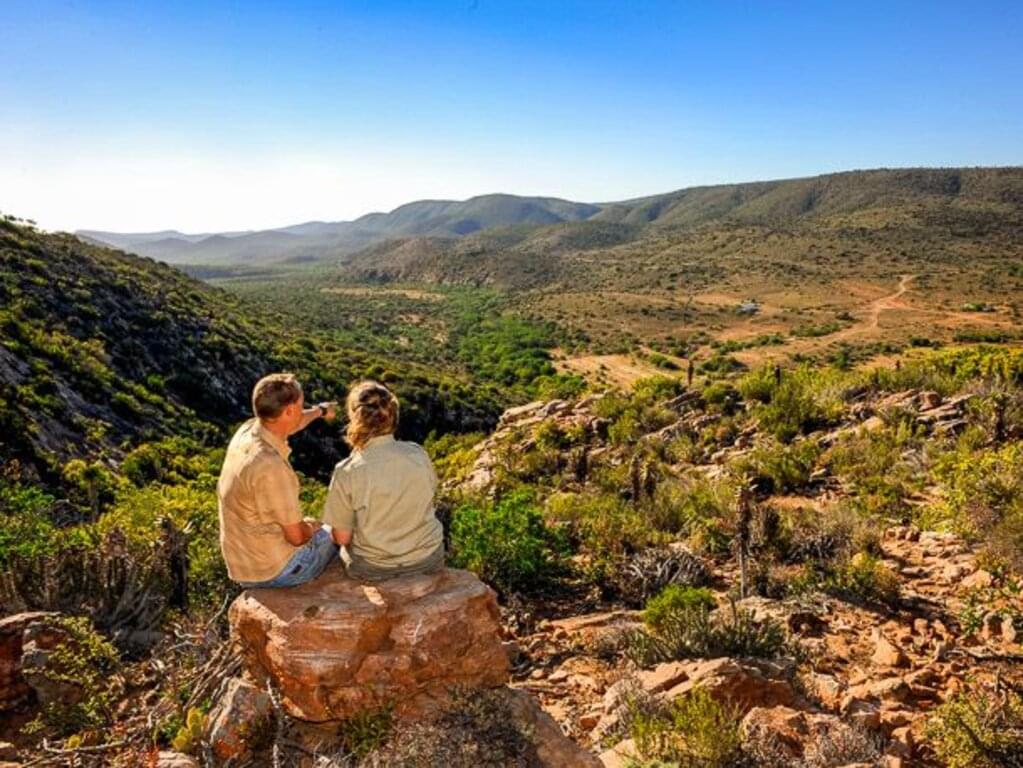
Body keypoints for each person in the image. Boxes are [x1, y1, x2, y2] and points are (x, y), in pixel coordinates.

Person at [217, 373, 339, 588]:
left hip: (244, 564)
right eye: (300, 406)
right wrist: (312, 526)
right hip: (277, 570)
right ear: (289, 411)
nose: (302, 410)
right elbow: (297, 538)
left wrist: (320, 411)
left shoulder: (247, 431)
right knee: (341, 528)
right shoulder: (271, 467)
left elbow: (294, 422)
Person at [323, 380, 444, 581]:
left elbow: (342, 538)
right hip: (427, 558)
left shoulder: (347, 470)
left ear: (355, 418)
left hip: (373, 567)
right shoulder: (418, 454)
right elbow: (431, 497)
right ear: (393, 415)